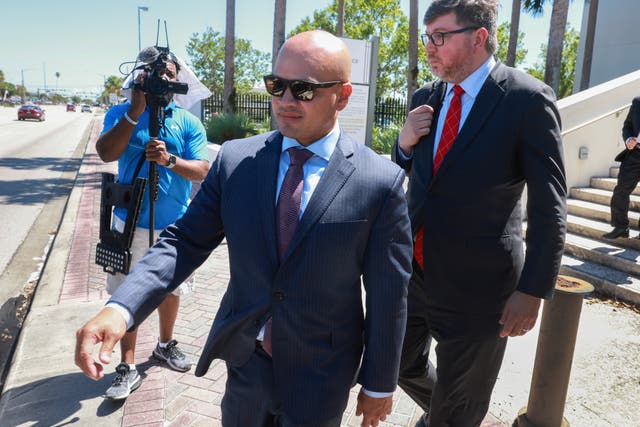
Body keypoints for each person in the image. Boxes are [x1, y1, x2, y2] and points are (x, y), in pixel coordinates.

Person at [76, 30, 413, 427]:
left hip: (322, 373)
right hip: (246, 364)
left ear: (342, 95)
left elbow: (388, 295)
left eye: (303, 90)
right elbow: (184, 240)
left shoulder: (379, 181)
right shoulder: (236, 160)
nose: (285, 101)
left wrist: (379, 384)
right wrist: (121, 308)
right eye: (277, 86)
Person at [392, 1, 567, 425]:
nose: (429, 48)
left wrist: (533, 290)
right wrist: (402, 146)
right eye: (426, 37)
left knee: (462, 401)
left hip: (481, 288)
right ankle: (446, 413)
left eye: (440, 37)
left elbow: (550, 206)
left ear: (478, 37)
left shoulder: (526, 99)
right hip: (415, 273)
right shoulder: (425, 98)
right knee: (396, 365)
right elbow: (416, 179)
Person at [93, 48, 210, 400]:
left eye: (170, 74)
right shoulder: (120, 113)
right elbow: (105, 153)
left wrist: (169, 160)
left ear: (178, 80)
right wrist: (134, 112)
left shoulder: (187, 121)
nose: (163, 79)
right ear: (139, 77)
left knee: (170, 289)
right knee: (126, 292)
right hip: (128, 224)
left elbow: (203, 170)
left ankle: (164, 344)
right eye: (154, 73)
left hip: (174, 226)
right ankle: (127, 365)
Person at [603, 95, 640, 239]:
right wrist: (628, 138)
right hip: (634, 154)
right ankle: (621, 226)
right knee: (621, 191)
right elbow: (628, 125)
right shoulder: (637, 102)